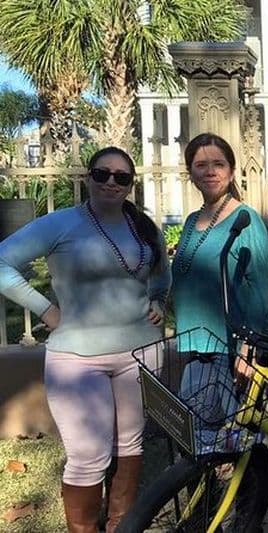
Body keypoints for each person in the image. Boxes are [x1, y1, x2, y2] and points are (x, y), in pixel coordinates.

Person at [0, 147, 170, 533]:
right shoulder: (60, 224)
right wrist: (45, 309)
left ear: (130, 184)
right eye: (102, 173)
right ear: (88, 176)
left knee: (131, 444)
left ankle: (122, 526)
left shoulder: (143, 226)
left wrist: (158, 300)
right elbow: (3, 262)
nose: (111, 182)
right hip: (77, 359)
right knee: (87, 456)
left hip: (140, 352)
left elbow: (162, 272)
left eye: (121, 177)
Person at [170, 133, 268, 452]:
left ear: (231, 171)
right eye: (201, 165)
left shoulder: (245, 219)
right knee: (202, 443)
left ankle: (247, 488)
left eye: (218, 163)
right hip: (196, 347)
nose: (210, 171)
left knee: (238, 446)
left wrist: (250, 351)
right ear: (190, 173)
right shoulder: (191, 222)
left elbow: (260, 287)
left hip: (233, 351)